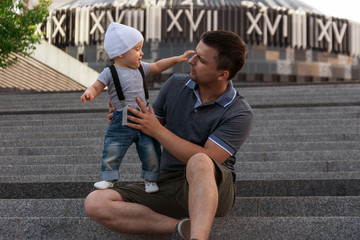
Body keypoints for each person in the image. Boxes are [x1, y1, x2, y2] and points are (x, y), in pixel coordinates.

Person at [84, 29, 253, 240]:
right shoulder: (175, 84)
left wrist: (157, 129)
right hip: (166, 182)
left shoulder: (239, 111)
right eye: (194, 54)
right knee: (95, 203)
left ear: (222, 74)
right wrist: (126, 118)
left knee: (200, 161)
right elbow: (149, 122)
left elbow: (209, 158)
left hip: (214, 189)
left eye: (200, 59)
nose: (190, 60)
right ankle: (181, 227)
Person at [81, 22, 194, 193]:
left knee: (150, 149)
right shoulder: (109, 72)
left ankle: (151, 179)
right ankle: (108, 178)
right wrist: (90, 93)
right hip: (121, 117)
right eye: (137, 49)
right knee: (113, 147)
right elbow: (97, 86)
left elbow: (157, 66)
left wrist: (177, 59)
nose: (141, 53)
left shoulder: (141, 67)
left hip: (144, 116)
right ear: (120, 53)